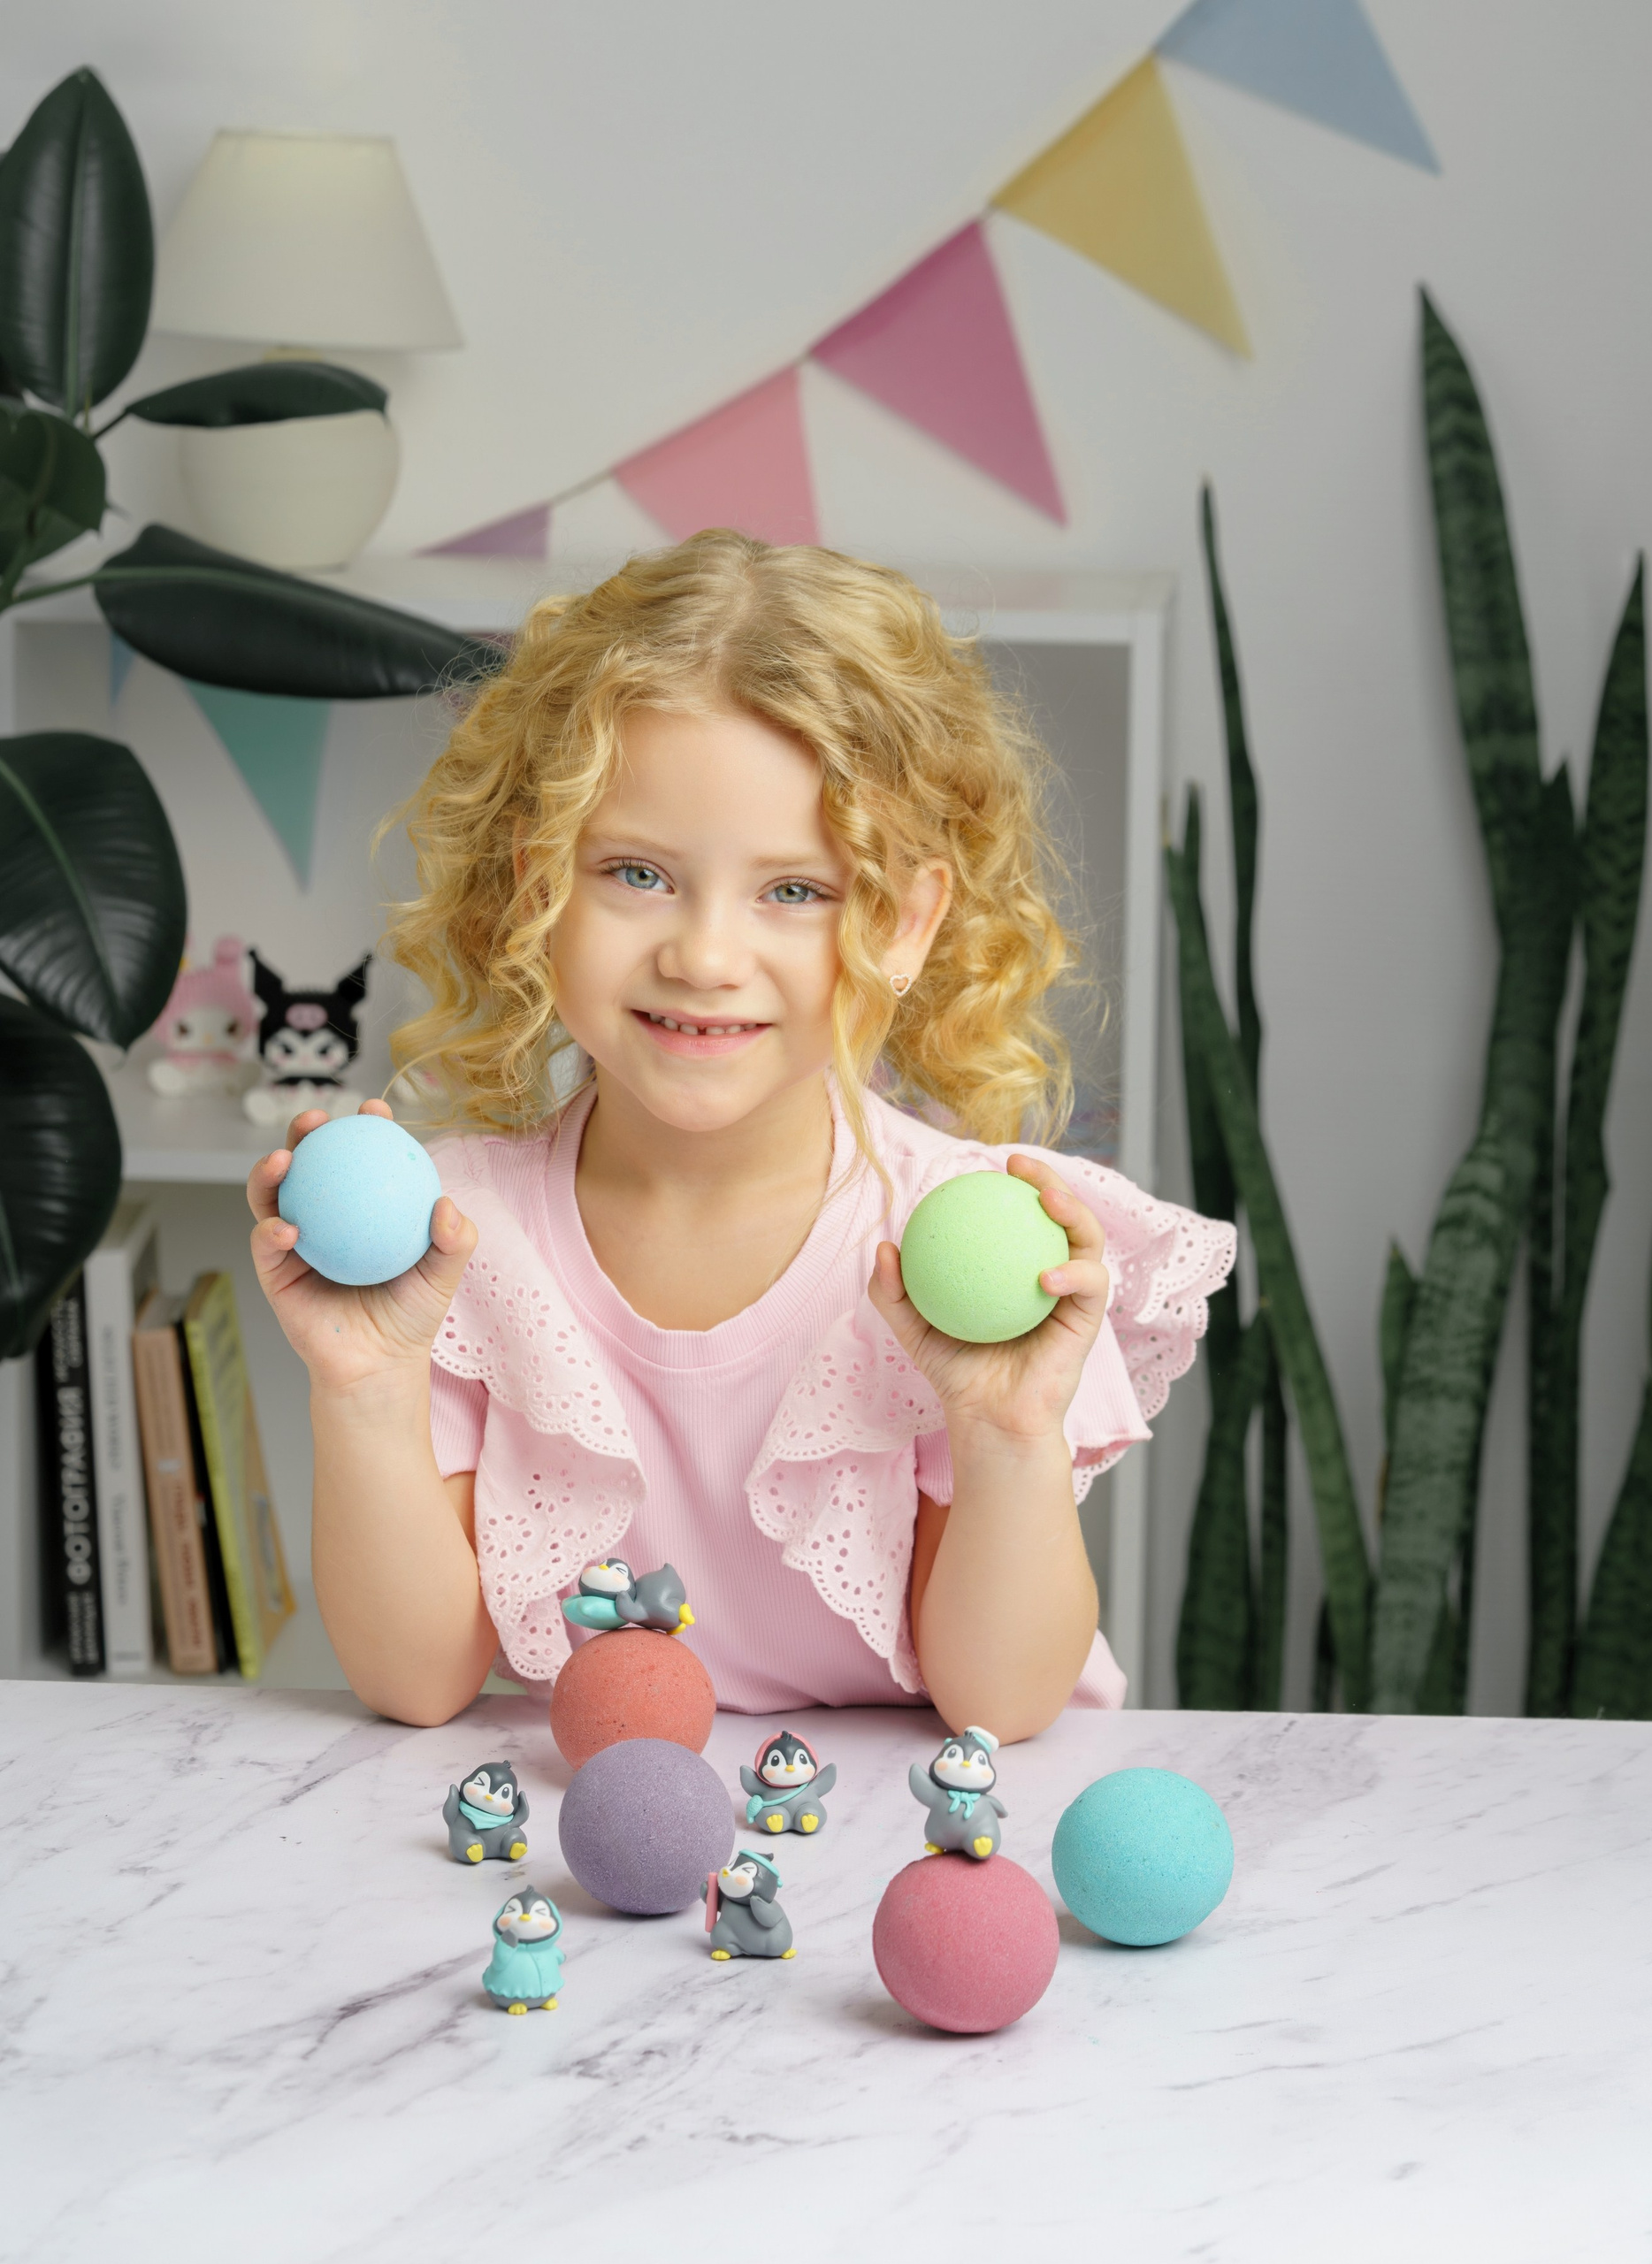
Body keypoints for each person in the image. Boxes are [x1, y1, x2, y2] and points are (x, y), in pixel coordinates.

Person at [247, 532, 1234, 1734]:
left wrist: (1008, 1433)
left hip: (920, 1820)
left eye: (795, 891)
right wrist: (364, 1387)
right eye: (638, 874)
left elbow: (1006, 1705)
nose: (707, 956)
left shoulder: (967, 1241)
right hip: (609, 1816)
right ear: (539, 885)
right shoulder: (457, 1240)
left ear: (906, 923)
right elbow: (416, 1681)